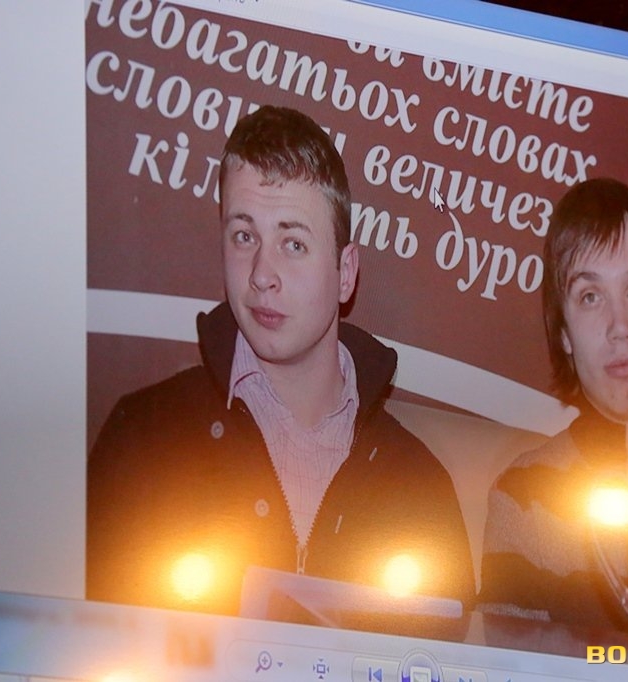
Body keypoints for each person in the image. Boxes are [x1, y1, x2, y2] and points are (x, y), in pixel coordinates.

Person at [87, 106, 475, 621]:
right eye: (244, 236)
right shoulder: (141, 440)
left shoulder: (420, 487)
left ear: (345, 273)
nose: (261, 274)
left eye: (293, 243)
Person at [478, 177, 628, 643]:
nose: (619, 327)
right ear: (564, 334)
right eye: (590, 297)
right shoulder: (523, 496)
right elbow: (511, 668)